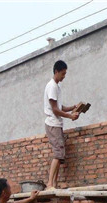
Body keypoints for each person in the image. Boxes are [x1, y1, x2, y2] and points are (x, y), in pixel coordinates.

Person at [44, 60, 79, 190]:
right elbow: (55, 110)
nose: (64, 76)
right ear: (56, 72)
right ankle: (50, 184)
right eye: (63, 73)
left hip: (57, 124)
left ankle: (54, 184)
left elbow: (60, 107)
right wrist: (70, 116)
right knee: (58, 154)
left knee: (60, 155)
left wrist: (73, 108)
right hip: (53, 124)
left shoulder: (57, 86)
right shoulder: (52, 86)